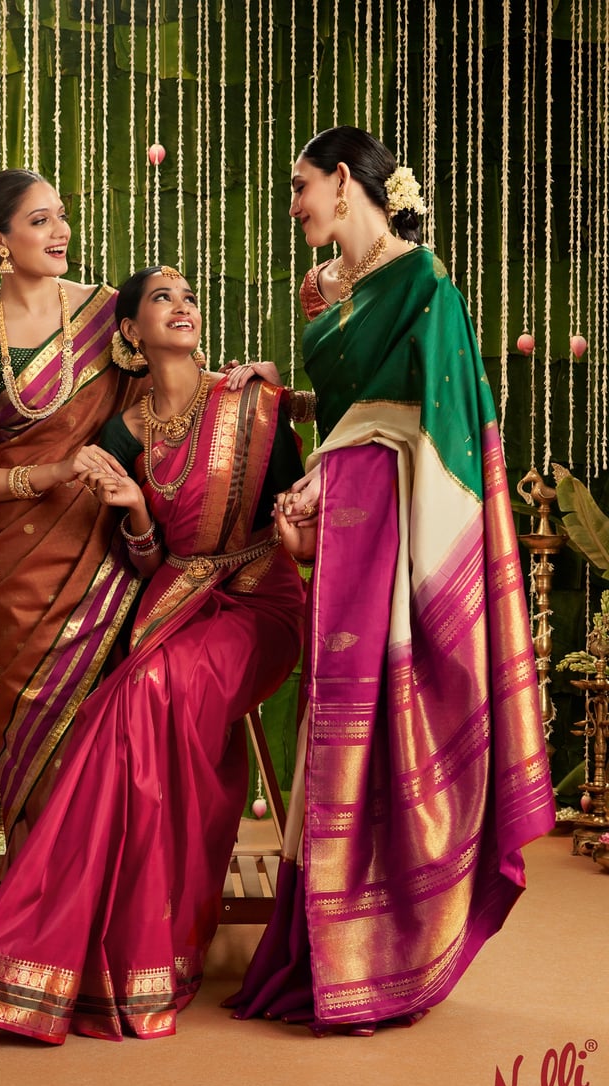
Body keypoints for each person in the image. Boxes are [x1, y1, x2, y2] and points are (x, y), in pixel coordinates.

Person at [224, 126, 556, 1035]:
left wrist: (337, 465)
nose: (295, 204)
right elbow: (347, 407)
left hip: (400, 520)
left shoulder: (426, 284)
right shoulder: (323, 287)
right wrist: (281, 396)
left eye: (301, 186)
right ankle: (326, 946)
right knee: (335, 715)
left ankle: (385, 956)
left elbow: (441, 423)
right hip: (346, 518)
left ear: (343, 181)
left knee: (388, 714)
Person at [0, 266, 307, 1042]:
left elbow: (304, 519)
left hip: (260, 604)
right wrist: (137, 511)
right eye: (163, 299)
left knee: (147, 691)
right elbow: (145, 559)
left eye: (189, 296)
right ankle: (83, 953)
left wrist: (300, 533)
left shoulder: (253, 402)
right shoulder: (123, 434)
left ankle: (127, 945)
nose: (183, 306)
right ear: (131, 333)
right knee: (116, 706)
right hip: (175, 606)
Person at [0, 169, 148, 867]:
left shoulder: (108, 311)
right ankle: (37, 892)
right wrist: (59, 471)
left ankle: (107, 891)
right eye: (39, 221)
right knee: (29, 711)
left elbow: (171, 392)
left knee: (110, 716)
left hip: (110, 549)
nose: (61, 231)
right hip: (24, 563)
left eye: (60, 215)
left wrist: (250, 384)